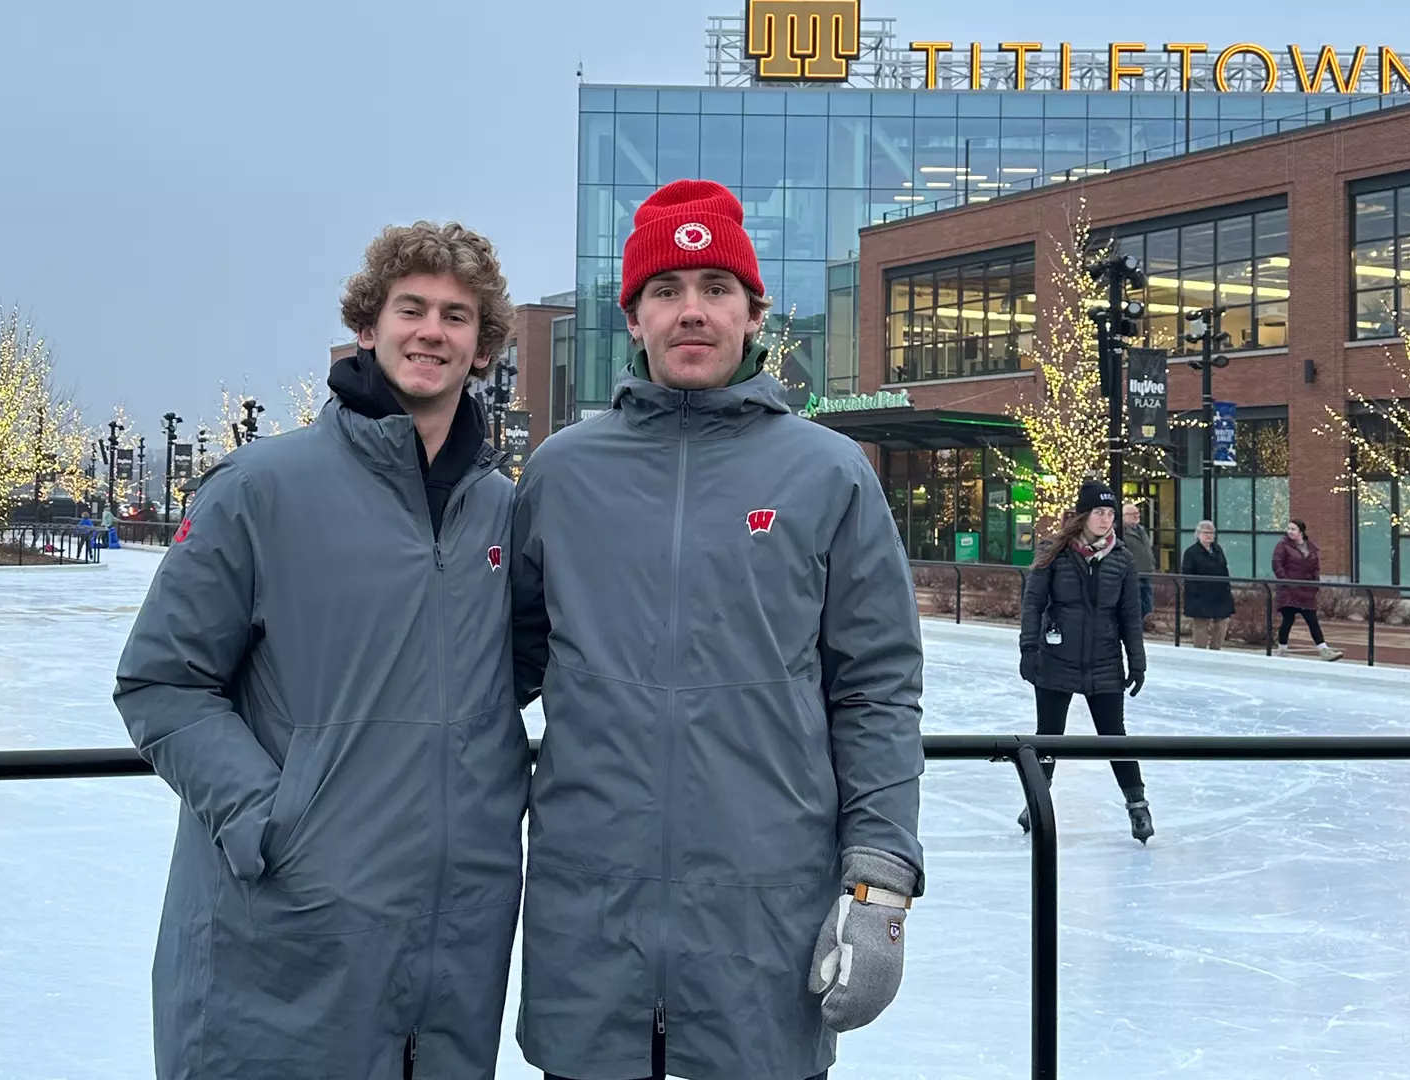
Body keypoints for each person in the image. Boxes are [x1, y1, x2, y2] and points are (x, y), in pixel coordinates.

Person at [511, 179, 926, 1080]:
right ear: (632, 318)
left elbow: (877, 688)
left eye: (714, 289)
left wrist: (880, 881)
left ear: (753, 311)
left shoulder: (830, 474)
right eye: (666, 290)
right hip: (592, 921)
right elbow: (494, 669)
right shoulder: (560, 474)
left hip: (763, 923)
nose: (690, 311)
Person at [113, 221, 530, 1080]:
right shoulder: (262, 489)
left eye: (457, 316)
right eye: (410, 308)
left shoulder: (503, 513)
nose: (431, 331)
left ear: (482, 349)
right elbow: (162, 682)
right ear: (368, 327)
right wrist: (274, 821)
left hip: (453, 948)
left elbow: (506, 672)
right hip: (284, 936)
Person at [1019, 481, 1154, 844]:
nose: (1105, 519)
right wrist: (1028, 649)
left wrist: (1136, 662)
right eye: (1099, 512)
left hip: (1104, 661)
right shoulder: (1054, 552)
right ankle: (1036, 802)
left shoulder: (1122, 558)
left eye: (1110, 514)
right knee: (1048, 737)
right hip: (1056, 658)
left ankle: (1137, 806)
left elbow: (1130, 616)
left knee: (1115, 738)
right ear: (1084, 515)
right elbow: (1032, 603)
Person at [1273, 519, 1341, 661]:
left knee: (1312, 620)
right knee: (1288, 620)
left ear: (1301, 532)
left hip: (1306, 590)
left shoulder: (1311, 548)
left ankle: (1324, 650)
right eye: (1289, 529)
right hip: (1289, 590)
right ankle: (1282, 649)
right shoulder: (1283, 546)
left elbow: (1315, 568)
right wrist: (1286, 581)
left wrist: (1315, 583)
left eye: (1293, 529)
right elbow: (1277, 564)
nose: (1290, 532)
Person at [1180, 520, 1235, 650]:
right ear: (1198, 534)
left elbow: (1224, 568)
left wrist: (1227, 588)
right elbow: (1187, 574)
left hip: (1220, 593)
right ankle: (1200, 652)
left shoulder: (1217, 549)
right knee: (1201, 625)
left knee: (1222, 623)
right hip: (1201, 594)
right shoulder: (1191, 552)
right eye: (1205, 533)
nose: (1208, 536)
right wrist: (1196, 592)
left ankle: (1216, 650)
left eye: (1211, 533)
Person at [1120, 500, 1156, 619]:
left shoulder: (1141, 530)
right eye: (1133, 514)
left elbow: (1147, 548)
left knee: (1147, 605)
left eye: (1138, 514)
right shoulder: (1122, 532)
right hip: (1135, 574)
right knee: (1136, 606)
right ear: (1125, 516)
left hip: (1147, 573)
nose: (1137, 516)